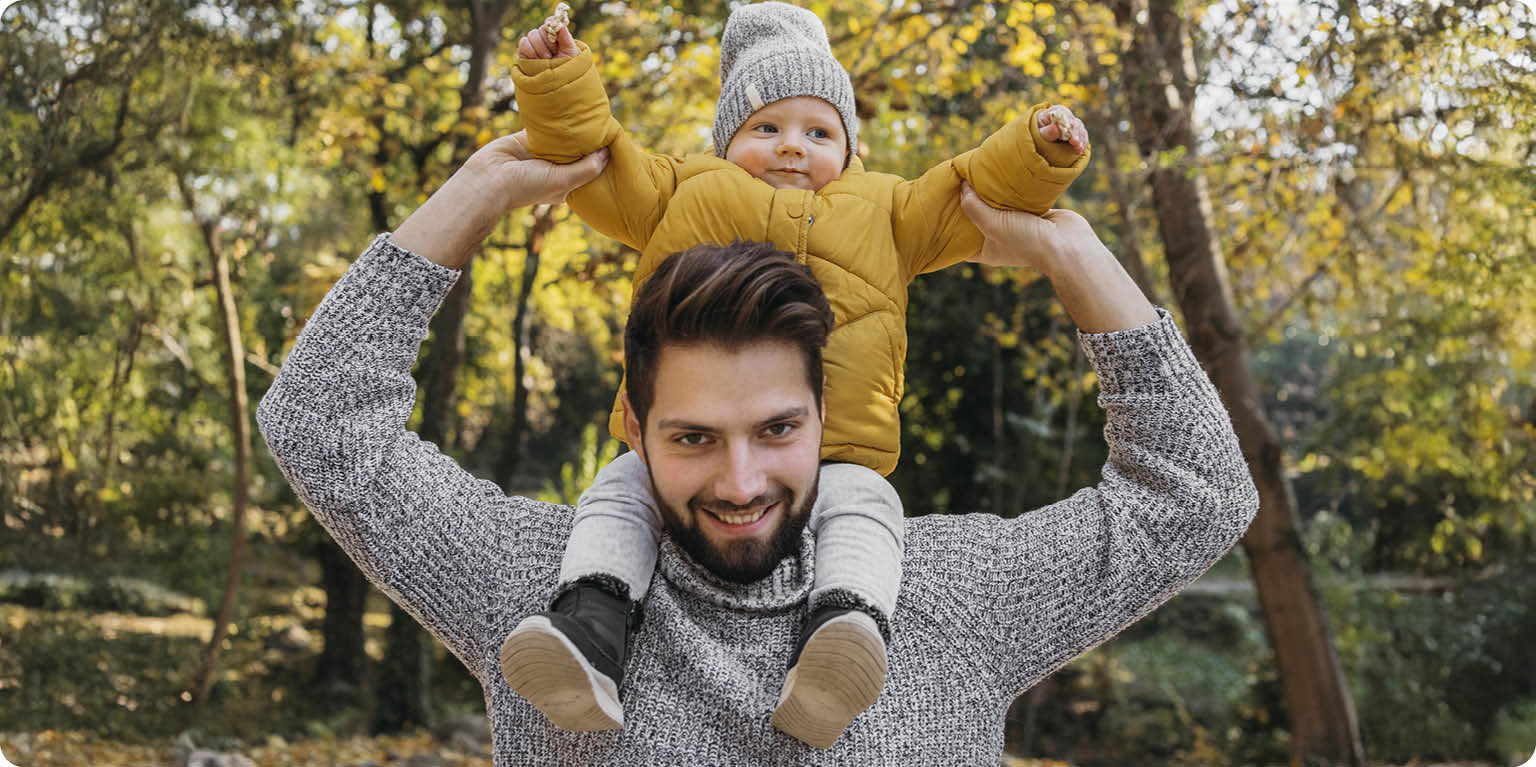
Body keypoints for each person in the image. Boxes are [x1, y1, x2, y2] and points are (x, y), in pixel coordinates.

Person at [257, 129, 1258, 764]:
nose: (741, 482)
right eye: (694, 437)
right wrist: (478, 189)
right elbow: (319, 421)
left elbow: (1201, 493)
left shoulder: (952, 595)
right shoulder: (540, 587)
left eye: (778, 429)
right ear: (637, 430)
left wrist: (1074, 256)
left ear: (827, 418)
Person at [502, 2, 1093, 745]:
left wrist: (1039, 149)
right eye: (766, 128)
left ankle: (841, 635)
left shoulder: (887, 208)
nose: (792, 148)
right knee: (620, 493)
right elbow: (593, 156)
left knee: (865, 508)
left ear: (850, 146)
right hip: (690, 439)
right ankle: (589, 627)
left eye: (818, 132)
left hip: (841, 444)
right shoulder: (683, 188)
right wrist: (556, 78)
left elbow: (974, 191)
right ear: (727, 140)